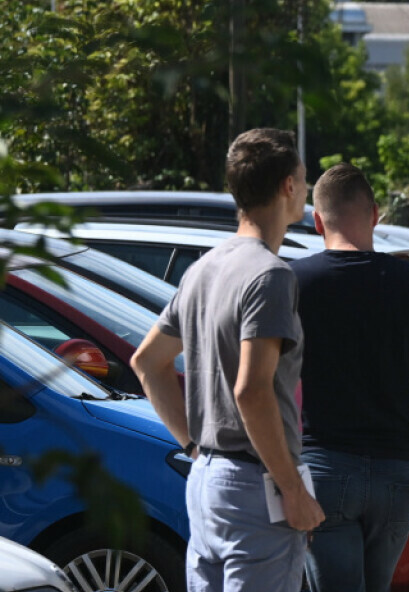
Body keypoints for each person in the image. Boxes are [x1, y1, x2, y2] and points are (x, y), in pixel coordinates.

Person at [132, 128, 323, 592]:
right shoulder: (271, 275)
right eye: (304, 178)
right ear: (288, 186)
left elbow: (146, 362)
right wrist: (293, 491)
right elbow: (251, 390)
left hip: (207, 480)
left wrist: (195, 448)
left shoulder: (204, 268)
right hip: (257, 489)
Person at [292, 163, 409, 592]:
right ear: (376, 214)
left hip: (325, 466)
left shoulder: (295, 282)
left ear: (316, 220)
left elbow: (266, 381)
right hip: (397, 470)